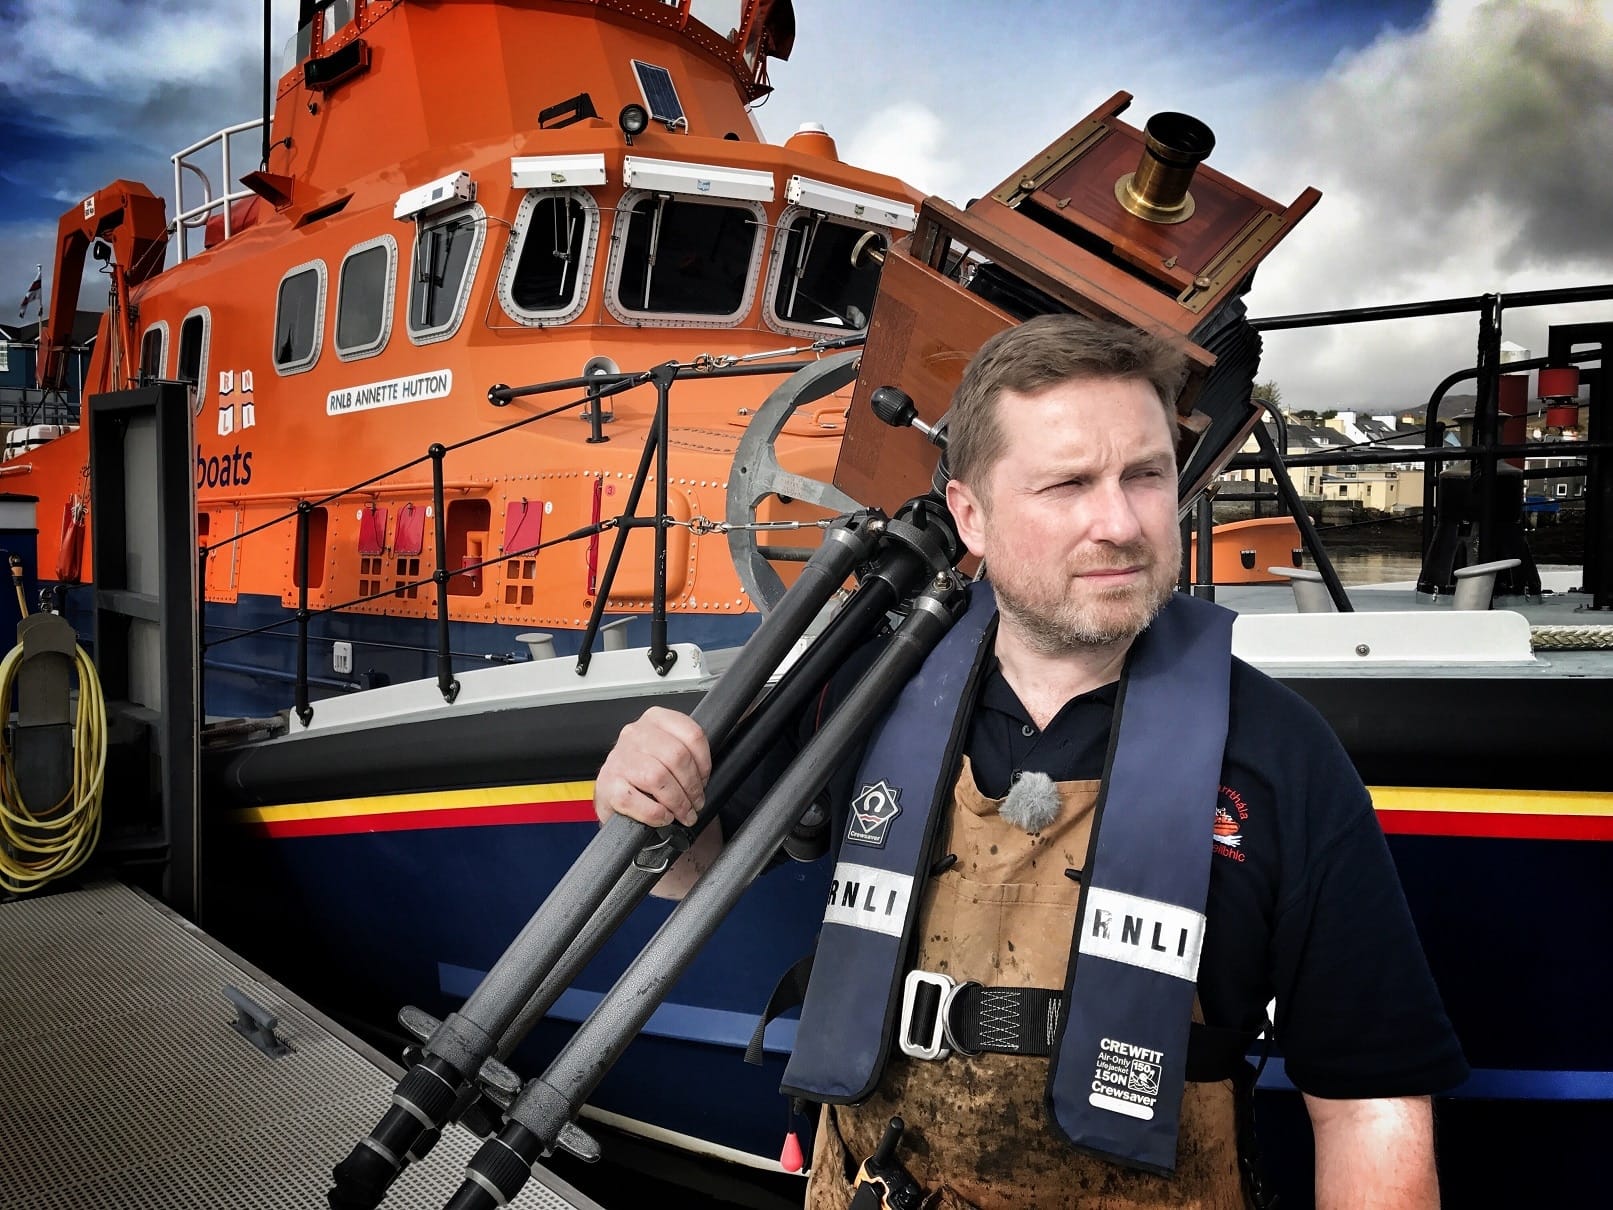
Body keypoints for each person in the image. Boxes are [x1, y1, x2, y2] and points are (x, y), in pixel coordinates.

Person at [593, 314, 1467, 1209]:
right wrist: (646, 791)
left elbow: (1370, 1104)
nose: (1119, 523)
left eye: (1145, 476)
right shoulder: (859, 696)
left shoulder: (1279, 756)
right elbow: (688, 866)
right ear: (970, 515)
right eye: (1068, 484)